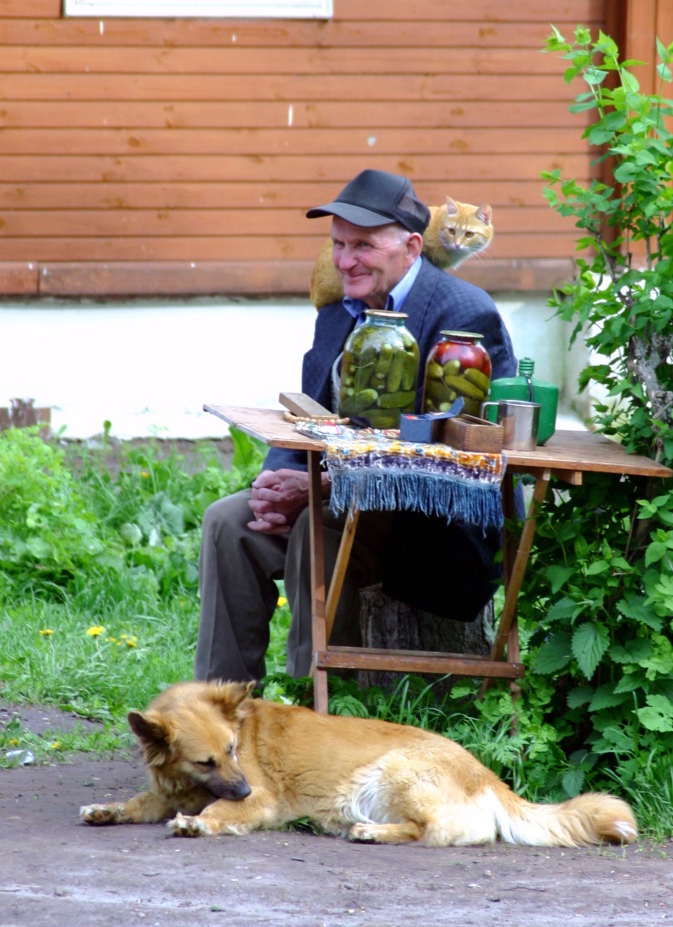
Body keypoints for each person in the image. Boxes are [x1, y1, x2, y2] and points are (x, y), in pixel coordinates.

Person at [195, 169, 519, 684]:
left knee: (314, 527)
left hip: (434, 527)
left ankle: (318, 715)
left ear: (412, 247)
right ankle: (219, 711)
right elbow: (309, 412)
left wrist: (322, 486)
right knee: (227, 523)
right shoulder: (339, 310)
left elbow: (460, 454)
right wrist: (276, 481)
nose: (345, 261)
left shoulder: (463, 313)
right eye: (338, 244)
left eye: (363, 245)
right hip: (340, 498)